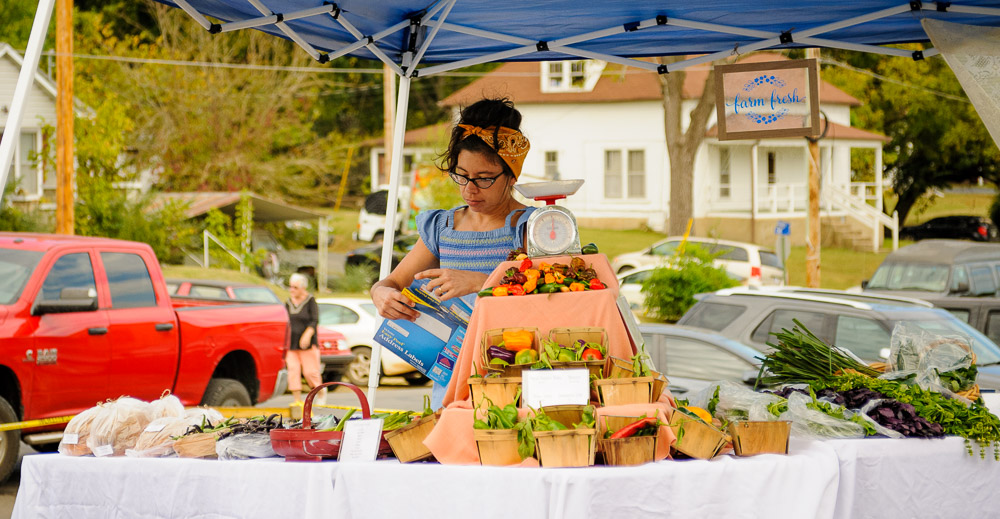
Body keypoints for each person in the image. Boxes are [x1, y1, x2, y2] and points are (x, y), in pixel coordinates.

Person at [371, 97, 536, 409]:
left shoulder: (531, 229)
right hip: (450, 388)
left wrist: (481, 282)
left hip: (517, 386)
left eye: (484, 178)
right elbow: (389, 283)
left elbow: (555, 303)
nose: (469, 189)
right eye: (461, 175)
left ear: (513, 174)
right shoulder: (442, 228)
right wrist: (381, 295)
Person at [285, 273, 325, 405]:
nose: (292, 290)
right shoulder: (288, 302)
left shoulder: (310, 300)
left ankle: (320, 393)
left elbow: (314, 320)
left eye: (295, 287)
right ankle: (297, 400)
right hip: (291, 343)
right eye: (290, 287)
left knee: (310, 372)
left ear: (303, 288)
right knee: (293, 370)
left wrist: (307, 334)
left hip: (307, 343)